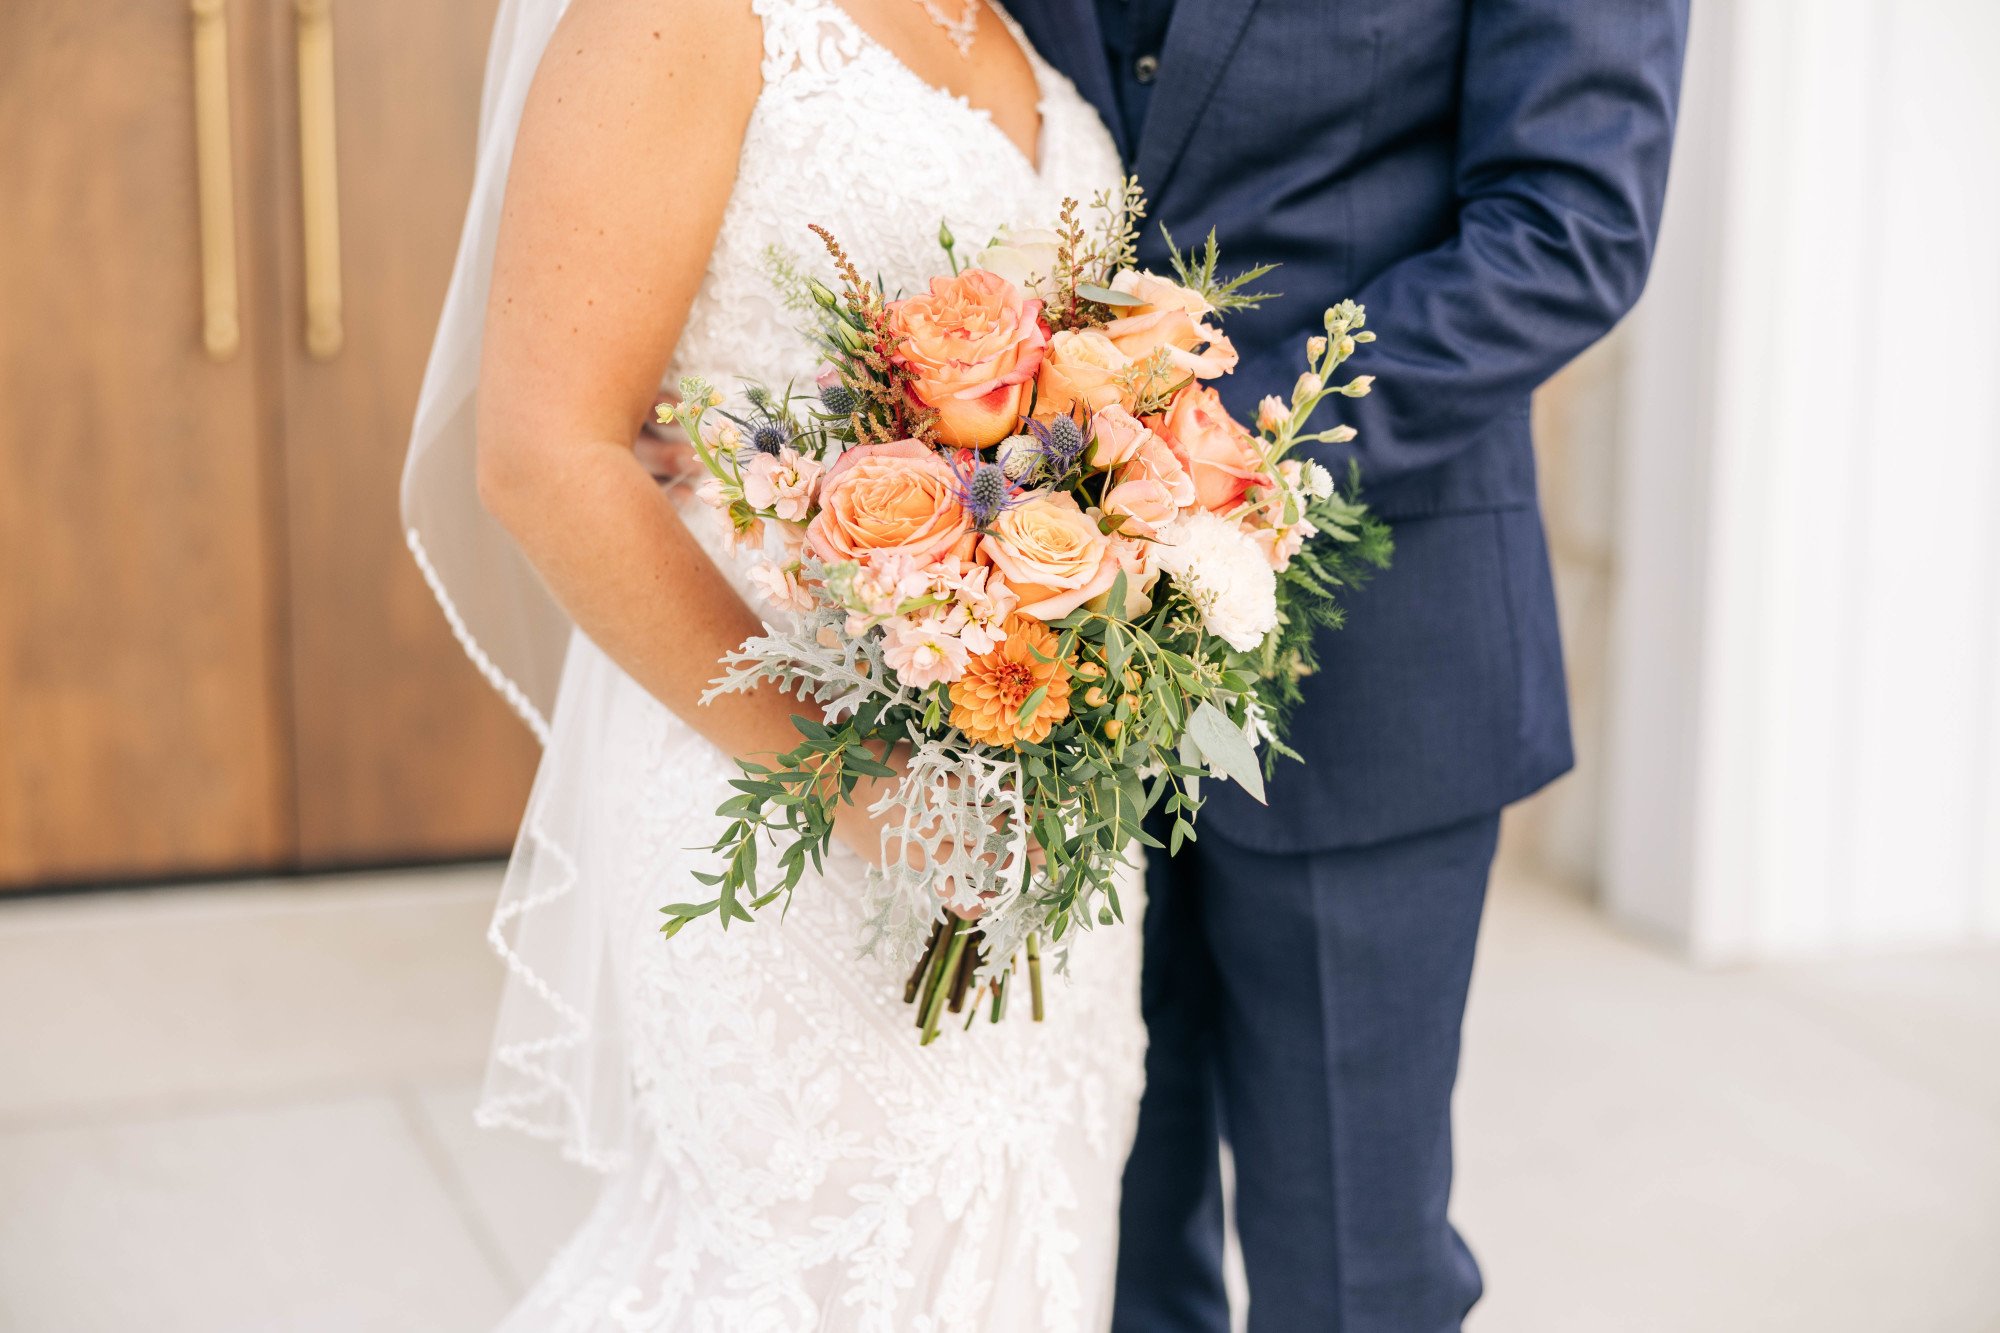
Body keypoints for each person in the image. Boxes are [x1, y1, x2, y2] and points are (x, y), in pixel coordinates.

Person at [401, 1, 1147, 1327]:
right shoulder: (677, 21)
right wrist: (856, 778)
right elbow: (543, 453)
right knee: (800, 1261)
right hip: (784, 783)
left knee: (1020, 1224)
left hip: (1029, 794)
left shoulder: (1023, 27)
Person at [1001, 1, 1690, 1329]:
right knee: (1095, 1256)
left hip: (1376, 651)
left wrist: (1209, 454)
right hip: (1031, 647)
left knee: (1350, 1278)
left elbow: (1571, 223)